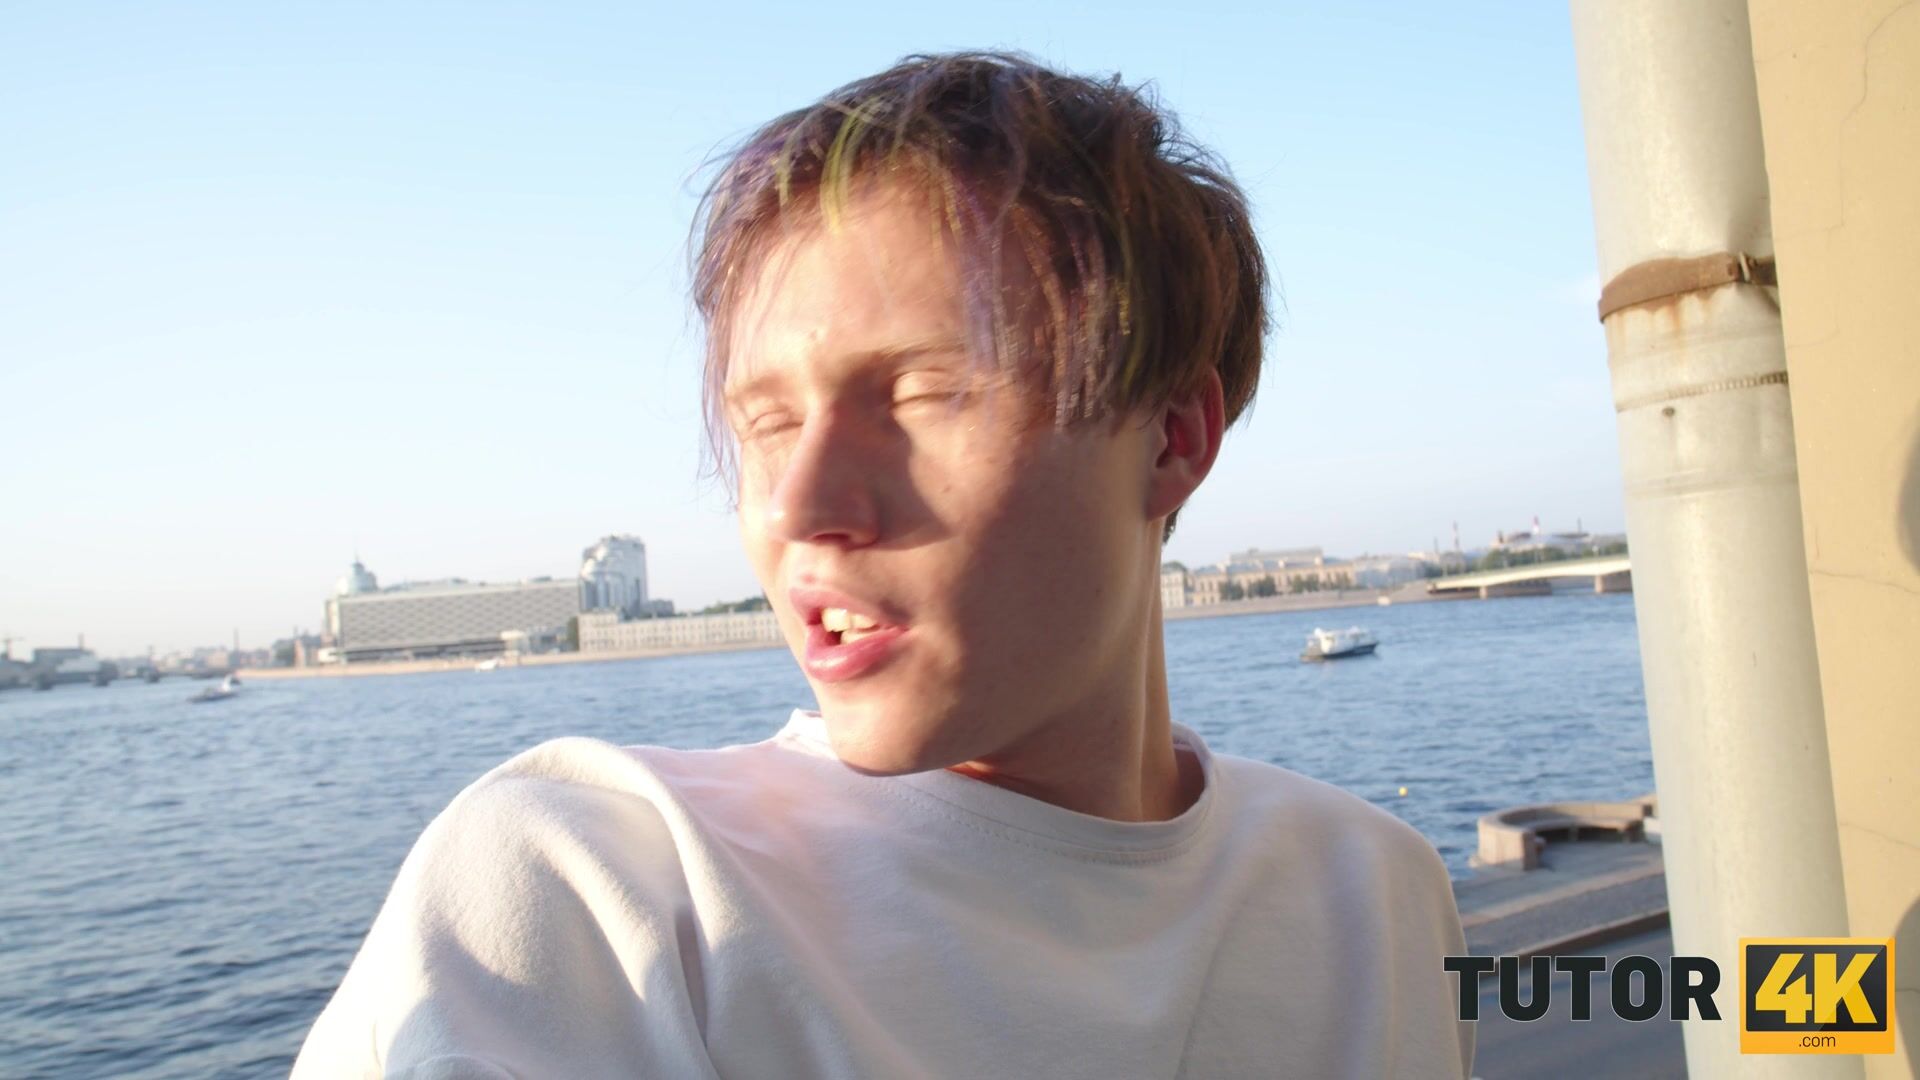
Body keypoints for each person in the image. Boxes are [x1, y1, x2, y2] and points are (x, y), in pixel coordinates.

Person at [292, 51, 1474, 1079]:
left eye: (919, 393)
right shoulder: (598, 900)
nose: (798, 505)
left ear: (1170, 436)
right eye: (765, 424)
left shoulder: (1376, 897)